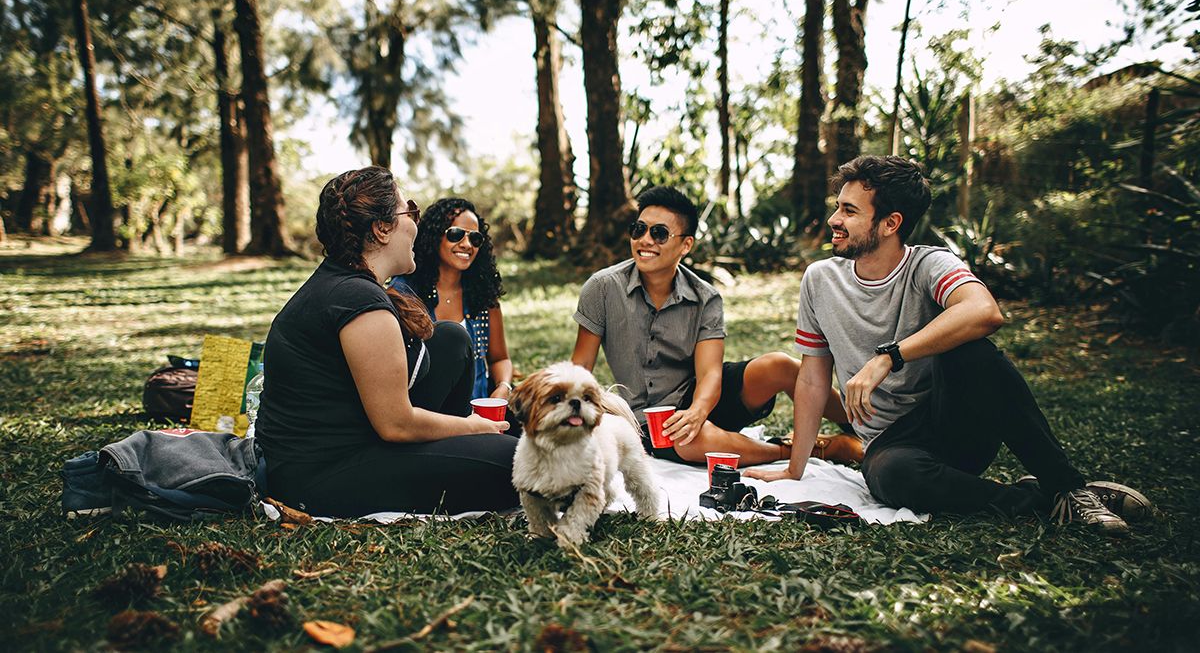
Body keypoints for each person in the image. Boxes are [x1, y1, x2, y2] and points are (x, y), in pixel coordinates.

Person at [746, 155, 1150, 535]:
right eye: (838, 206)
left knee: (972, 350)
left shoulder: (929, 264)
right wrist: (794, 469)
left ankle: (1069, 487)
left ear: (890, 223)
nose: (834, 219)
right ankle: (1043, 499)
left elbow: (984, 311)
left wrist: (890, 356)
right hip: (893, 446)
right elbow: (814, 378)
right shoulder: (820, 280)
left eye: (849, 211)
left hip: (956, 423)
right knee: (892, 476)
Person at [255, 166, 519, 517]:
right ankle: (472, 448)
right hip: (320, 475)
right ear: (381, 229)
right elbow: (396, 424)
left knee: (451, 339)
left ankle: (466, 448)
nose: (415, 222)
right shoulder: (358, 301)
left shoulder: (348, 284)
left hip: (356, 438)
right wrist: (474, 426)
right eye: (409, 210)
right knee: (519, 463)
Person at [570, 185, 862, 467]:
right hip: (649, 420)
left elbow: (710, 373)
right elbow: (580, 367)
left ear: (685, 245)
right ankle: (809, 449)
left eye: (659, 233)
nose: (645, 240)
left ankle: (864, 428)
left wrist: (697, 411)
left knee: (780, 365)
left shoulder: (705, 297)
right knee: (690, 441)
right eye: (639, 229)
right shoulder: (603, 288)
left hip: (702, 396)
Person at [392, 197, 513, 400]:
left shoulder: (483, 295)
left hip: (480, 415)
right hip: (427, 416)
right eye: (456, 234)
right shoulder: (404, 292)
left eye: (475, 238)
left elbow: (500, 358)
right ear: (433, 236)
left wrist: (503, 387)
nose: (467, 244)